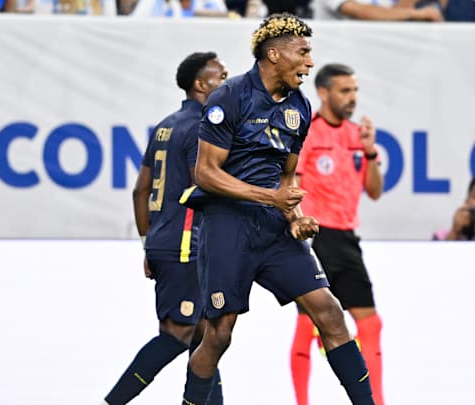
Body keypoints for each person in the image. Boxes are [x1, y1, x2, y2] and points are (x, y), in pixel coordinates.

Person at [179, 13, 375, 405]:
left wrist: (296, 218)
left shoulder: (299, 108)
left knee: (330, 312)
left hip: (272, 229)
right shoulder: (229, 97)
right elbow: (205, 173)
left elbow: (287, 179)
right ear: (274, 54)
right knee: (218, 335)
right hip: (226, 227)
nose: (309, 62)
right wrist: (271, 198)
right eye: (302, 52)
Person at [101, 51, 228, 405]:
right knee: (179, 332)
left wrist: (148, 242)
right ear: (201, 84)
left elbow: (141, 189)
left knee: (207, 336)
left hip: (165, 240)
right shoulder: (204, 127)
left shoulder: (166, 125)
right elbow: (203, 187)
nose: (228, 82)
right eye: (222, 76)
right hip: (187, 244)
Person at [291, 63, 385, 405]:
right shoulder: (308, 134)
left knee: (370, 326)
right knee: (309, 326)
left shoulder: (355, 135)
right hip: (318, 237)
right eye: (345, 91)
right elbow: (293, 184)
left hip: (347, 238)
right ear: (323, 92)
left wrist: (370, 151)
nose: (352, 98)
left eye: (355, 91)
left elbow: (374, 190)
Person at [311, 0, 444, 22]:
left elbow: (392, 15)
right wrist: (416, 13)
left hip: (373, 56)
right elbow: (361, 13)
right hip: (336, 62)